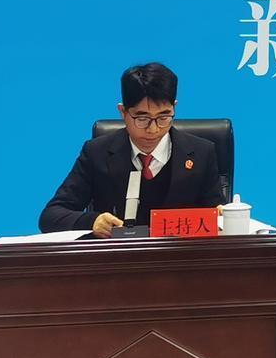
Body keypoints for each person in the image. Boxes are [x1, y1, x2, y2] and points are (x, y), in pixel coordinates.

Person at [39, 62, 227, 236]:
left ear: (174, 108)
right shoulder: (97, 153)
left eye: (163, 117)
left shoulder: (201, 153)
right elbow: (51, 216)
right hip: (118, 257)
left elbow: (218, 215)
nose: (153, 129)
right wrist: (92, 221)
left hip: (181, 258)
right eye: (142, 119)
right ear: (122, 112)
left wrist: (224, 216)